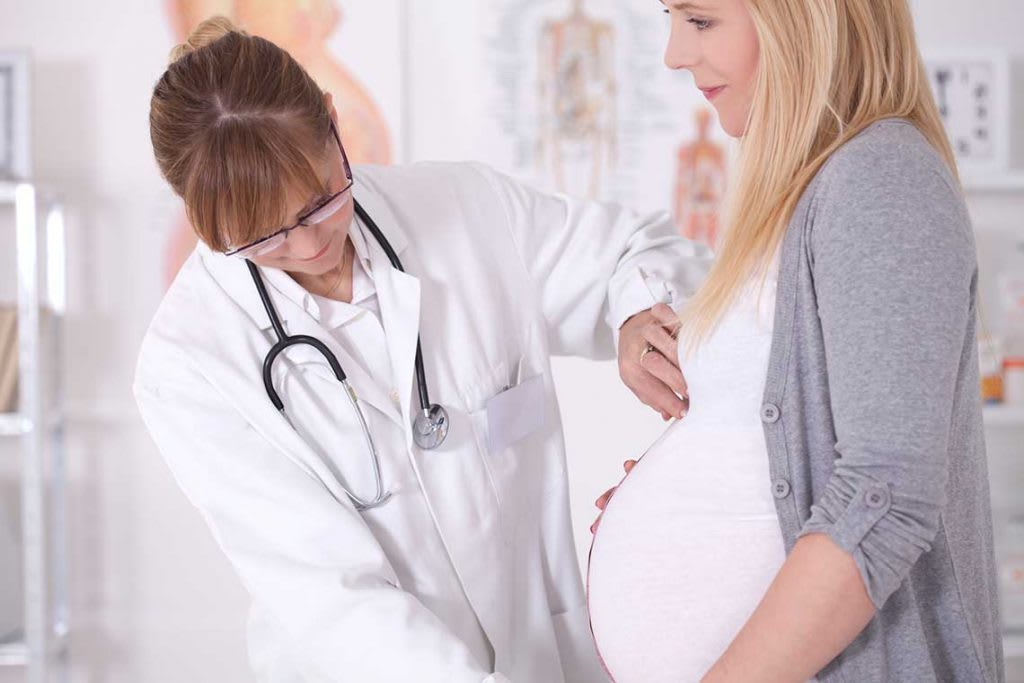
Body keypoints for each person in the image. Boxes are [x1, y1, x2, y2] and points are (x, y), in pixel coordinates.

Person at [134, 17, 710, 683]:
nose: (310, 241)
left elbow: (634, 252)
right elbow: (331, 593)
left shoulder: (463, 209)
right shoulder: (187, 364)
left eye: (322, 197)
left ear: (330, 121)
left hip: (544, 659)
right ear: (203, 223)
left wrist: (638, 308)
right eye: (265, 237)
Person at [587, 1, 1003, 681]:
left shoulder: (881, 182)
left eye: (699, 21)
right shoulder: (809, 193)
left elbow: (885, 498)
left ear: (803, 18)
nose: (673, 54)